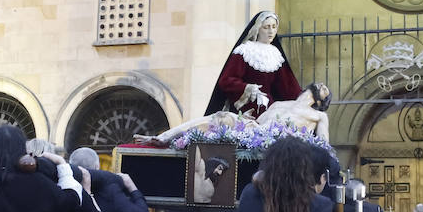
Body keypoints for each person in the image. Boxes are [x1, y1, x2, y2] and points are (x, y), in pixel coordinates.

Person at [139, 83, 333, 146]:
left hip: (276, 143)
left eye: (326, 90)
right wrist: (247, 118)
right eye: (322, 84)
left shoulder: (318, 116)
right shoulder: (281, 104)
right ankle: (164, 138)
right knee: (220, 116)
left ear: (321, 102)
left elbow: (323, 146)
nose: (323, 85)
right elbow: (261, 121)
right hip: (255, 132)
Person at [204, 10, 302, 119]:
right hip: (245, 111)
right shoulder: (245, 50)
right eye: (266, 27)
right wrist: (247, 88)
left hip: (270, 111)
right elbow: (226, 80)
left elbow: (287, 86)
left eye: (274, 27)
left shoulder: (276, 54)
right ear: (258, 28)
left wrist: (306, 97)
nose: (271, 31)